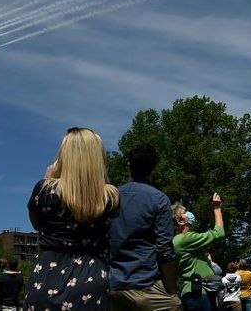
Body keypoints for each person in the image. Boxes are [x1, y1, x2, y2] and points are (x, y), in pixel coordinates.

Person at [24, 127, 120, 311]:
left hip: (45, 278)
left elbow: (37, 225)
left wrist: (48, 179)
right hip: (91, 279)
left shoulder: (45, 190)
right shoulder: (110, 197)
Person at [109, 142, 181, 311]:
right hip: (144, 284)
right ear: (153, 167)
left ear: (129, 165)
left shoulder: (112, 197)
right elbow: (164, 250)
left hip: (112, 285)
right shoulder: (159, 200)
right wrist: (172, 292)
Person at [172, 193, 225, 311]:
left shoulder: (179, 240)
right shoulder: (186, 239)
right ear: (180, 221)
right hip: (197, 293)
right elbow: (218, 234)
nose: (188, 213)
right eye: (184, 212)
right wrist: (217, 208)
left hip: (196, 291)